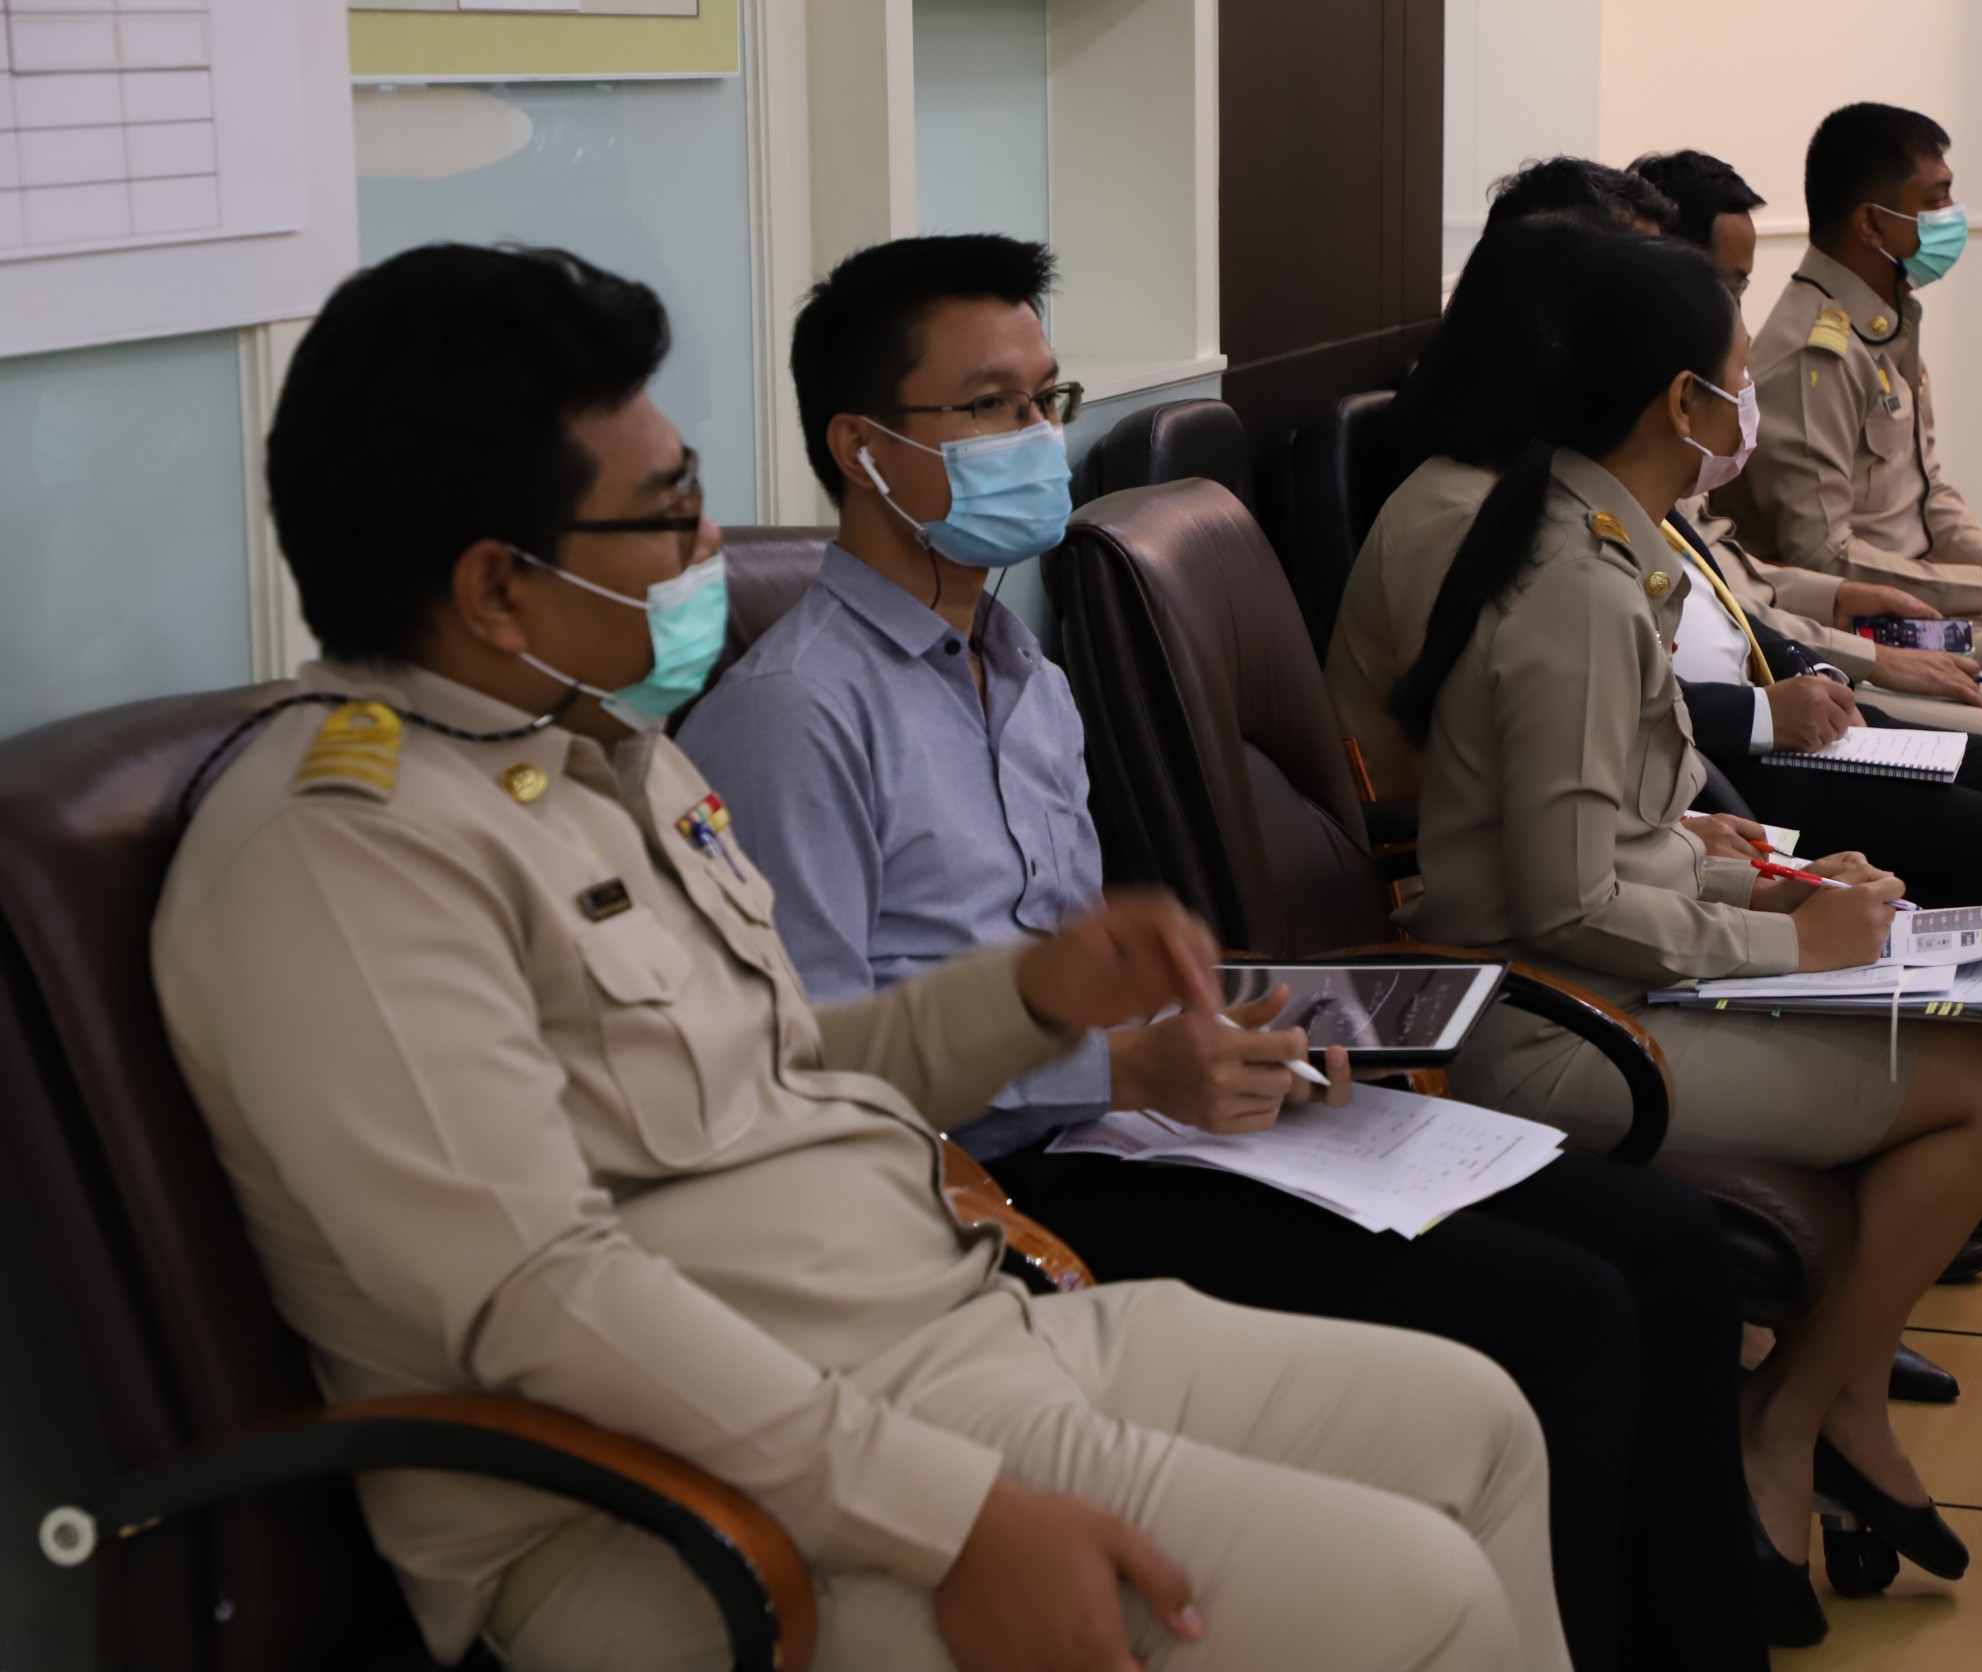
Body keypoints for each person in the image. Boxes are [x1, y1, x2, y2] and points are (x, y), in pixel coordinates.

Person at [153, 242, 1570, 1672]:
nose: (710, 549)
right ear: (493, 589)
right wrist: (953, 1519)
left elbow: (779, 1065)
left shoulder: (601, 755)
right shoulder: (344, 853)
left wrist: (1027, 997)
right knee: (1415, 1593)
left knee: (1480, 1427)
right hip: (675, 1505)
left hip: (937, 1335)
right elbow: (539, 1297)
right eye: (668, 514)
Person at [678, 232, 1772, 1671]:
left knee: (1669, 1248)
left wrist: (1238, 1027)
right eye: (990, 406)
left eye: (1048, 400)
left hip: (1150, 1116)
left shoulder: (1020, 669)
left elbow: (1075, 960)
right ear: (862, 448)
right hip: (1011, 1185)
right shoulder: (793, 719)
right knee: (1563, 1316)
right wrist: (1120, 1068)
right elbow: (815, 1077)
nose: (1037, 440)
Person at [1385, 224, 1982, 1644]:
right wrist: (1800, 951)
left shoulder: (1601, 545)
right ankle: (1793, 1421)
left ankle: (1828, 1409)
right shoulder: (1573, 587)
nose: (1746, 412)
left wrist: (1781, 891)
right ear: (1679, 403)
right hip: (1554, 1022)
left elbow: (1623, 836)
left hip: (1610, 970)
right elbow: (1564, 902)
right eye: (1736, 381)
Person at [1332, 193, 1982, 1162]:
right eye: (1734, 379)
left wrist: (1753, 880)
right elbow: (1558, 864)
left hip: (1649, 869)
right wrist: (1788, 929)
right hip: (1563, 982)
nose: (1745, 400)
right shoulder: (1550, 559)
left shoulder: (1589, 514)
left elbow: (1611, 777)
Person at [1630, 147, 1982, 1132]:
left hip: (1820, 639)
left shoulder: (1884, 325)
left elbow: (1922, 500)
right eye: (1936, 200)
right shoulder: (1800, 352)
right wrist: (1958, 604)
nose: (1951, 216)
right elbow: (1807, 564)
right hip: (1812, 656)